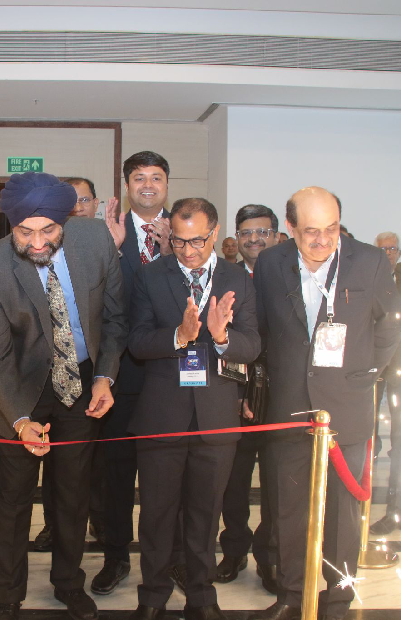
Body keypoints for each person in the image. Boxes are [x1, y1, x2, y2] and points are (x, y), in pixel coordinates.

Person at [0, 171, 127, 620]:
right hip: (21, 388)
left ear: (66, 221)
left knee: (72, 492)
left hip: (82, 383)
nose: (38, 242)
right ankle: (8, 594)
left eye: (48, 230)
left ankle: (68, 584)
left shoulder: (95, 241)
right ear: (11, 224)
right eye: (26, 232)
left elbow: (115, 320)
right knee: (13, 497)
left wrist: (105, 376)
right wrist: (20, 421)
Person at [250, 187, 401, 620]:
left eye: (331, 229)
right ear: (290, 227)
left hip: (346, 407)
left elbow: (390, 326)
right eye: (311, 231)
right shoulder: (271, 263)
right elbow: (263, 327)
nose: (322, 240)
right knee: (289, 510)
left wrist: (365, 373)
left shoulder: (369, 261)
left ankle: (337, 600)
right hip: (290, 405)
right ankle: (292, 595)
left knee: (342, 516)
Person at [128, 197, 261, 620]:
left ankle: (202, 597)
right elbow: (137, 341)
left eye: (198, 241)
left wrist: (222, 338)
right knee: (156, 515)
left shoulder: (238, 277)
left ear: (215, 232)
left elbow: (252, 345)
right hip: (162, 415)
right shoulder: (151, 276)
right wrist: (179, 336)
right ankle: (152, 596)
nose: (188, 251)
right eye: (179, 241)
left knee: (206, 515)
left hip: (216, 416)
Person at [96, 151, 174, 596]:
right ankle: (115, 556)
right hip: (120, 374)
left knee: (169, 477)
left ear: (166, 184)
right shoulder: (107, 231)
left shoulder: (185, 231)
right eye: (139, 177)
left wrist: (169, 254)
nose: (147, 185)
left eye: (156, 177)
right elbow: (98, 299)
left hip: (170, 376)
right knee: (116, 475)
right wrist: (112, 248)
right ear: (127, 186)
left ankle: (167, 560)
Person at [36, 175, 107, 551]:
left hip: (90, 374)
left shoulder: (102, 242)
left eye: (84, 200)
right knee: (53, 466)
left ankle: (87, 532)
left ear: (95, 204)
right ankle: (55, 527)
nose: (77, 208)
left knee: (85, 467)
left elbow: (115, 314)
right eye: (69, 201)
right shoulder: (31, 249)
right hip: (40, 377)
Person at [216, 204, 279, 591]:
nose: (254, 239)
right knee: (233, 481)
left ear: (276, 236)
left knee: (275, 482)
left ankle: (270, 556)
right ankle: (234, 550)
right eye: (246, 233)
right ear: (236, 238)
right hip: (236, 393)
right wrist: (239, 391)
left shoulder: (290, 276)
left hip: (282, 396)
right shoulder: (227, 277)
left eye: (262, 232)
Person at [370, 232, 401, 535]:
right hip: (370, 370)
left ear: (399, 252)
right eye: (382, 249)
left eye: (392, 249)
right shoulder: (366, 277)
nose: (387, 253)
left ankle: (398, 511)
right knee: (368, 442)